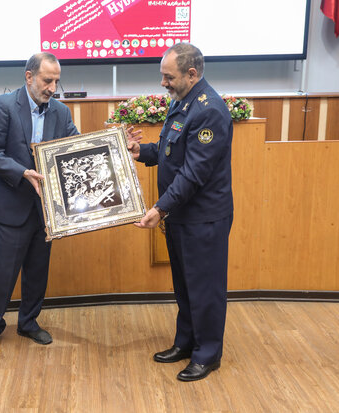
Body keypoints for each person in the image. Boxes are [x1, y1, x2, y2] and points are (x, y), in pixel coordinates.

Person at [128, 43, 233, 382]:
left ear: (192, 73)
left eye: (168, 77)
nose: (163, 83)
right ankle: (186, 343)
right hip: (182, 215)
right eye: (162, 76)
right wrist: (138, 150)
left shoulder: (209, 110)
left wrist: (159, 208)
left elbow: (194, 173)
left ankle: (207, 354)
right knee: (185, 287)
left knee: (205, 288)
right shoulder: (184, 101)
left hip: (203, 218)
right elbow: (168, 150)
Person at [0, 52, 79, 355]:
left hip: (44, 209)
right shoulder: (5, 105)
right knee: (4, 272)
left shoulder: (60, 112)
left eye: (57, 81)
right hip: (11, 205)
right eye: (47, 80)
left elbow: (73, 147)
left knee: (38, 270)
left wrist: (112, 145)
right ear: (29, 77)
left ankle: (28, 322)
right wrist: (23, 173)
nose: (52, 87)